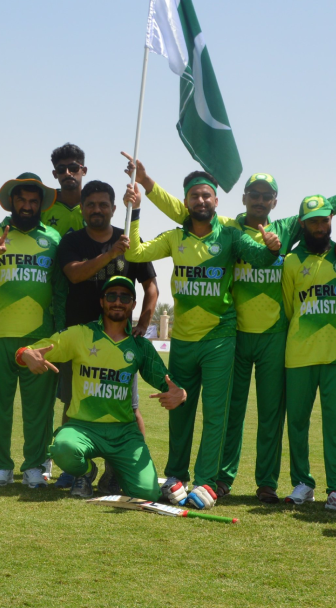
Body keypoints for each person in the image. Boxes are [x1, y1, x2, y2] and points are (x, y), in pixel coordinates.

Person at [123, 152, 336, 502]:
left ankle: (266, 482)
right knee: (230, 414)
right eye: (255, 195)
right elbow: (180, 210)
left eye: (267, 196)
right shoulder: (228, 229)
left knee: (270, 415)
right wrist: (146, 182)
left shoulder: (285, 228)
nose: (260, 201)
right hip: (233, 335)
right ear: (243, 199)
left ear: (275, 201)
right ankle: (222, 479)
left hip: (275, 336)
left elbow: (326, 208)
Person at [123, 172, 281, 509]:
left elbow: (261, 258)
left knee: (215, 414)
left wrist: (271, 247)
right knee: (179, 410)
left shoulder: (230, 234)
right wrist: (135, 212)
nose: (201, 201)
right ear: (187, 202)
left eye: (207, 195)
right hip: (182, 340)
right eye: (195, 196)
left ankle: (207, 482)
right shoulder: (174, 237)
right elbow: (135, 253)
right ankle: (175, 476)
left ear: (217, 202)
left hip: (220, 338)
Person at [16, 276, 188, 500]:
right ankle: (86, 472)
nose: (118, 301)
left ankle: (114, 473)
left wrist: (181, 394)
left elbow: (168, 381)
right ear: (101, 301)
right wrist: (25, 354)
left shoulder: (139, 346)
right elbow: (34, 350)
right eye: (111, 296)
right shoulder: (80, 334)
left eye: (125, 297)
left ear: (133, 304)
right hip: (82, 428)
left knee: (147, 493)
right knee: (62, 449)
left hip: (123, 433)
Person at [53, 179, 158, 493]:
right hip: (79, 338)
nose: (97, 210)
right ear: (82, 209)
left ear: (115, 208)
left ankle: (117, 469)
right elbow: (75, 274)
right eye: (91, 205)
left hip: (118, 340)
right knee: (73, 404)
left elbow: (151, 287)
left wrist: (143, 323)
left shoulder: (130, 242)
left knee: (129, 407)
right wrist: (111, 253)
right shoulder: (72, 241)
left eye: (103, 204)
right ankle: (77, 470)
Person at [0, 173, 64, 488]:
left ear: (40, 205)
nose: (27, 205)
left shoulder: (54, 238)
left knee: (39, 410)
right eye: (21, 199)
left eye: (33, 201)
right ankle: (1, 467)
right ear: (11, 202)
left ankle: (34, 466)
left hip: (41, 338)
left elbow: (61, 287)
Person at [280, 196, 336, 513]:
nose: (319, 226)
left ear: (330, 221)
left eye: (324, 220)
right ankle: (303, 483)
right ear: (302, 224)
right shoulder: (290, 261)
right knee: (297, 422)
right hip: (299, 354)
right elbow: (289, 308)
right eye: (312, 221)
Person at [43, 143, 86, 234]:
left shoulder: (94, 206)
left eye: (73, 168)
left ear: (84, 171)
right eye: (61, 169)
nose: (67, 173)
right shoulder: (45, 205)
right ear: (55, 174)